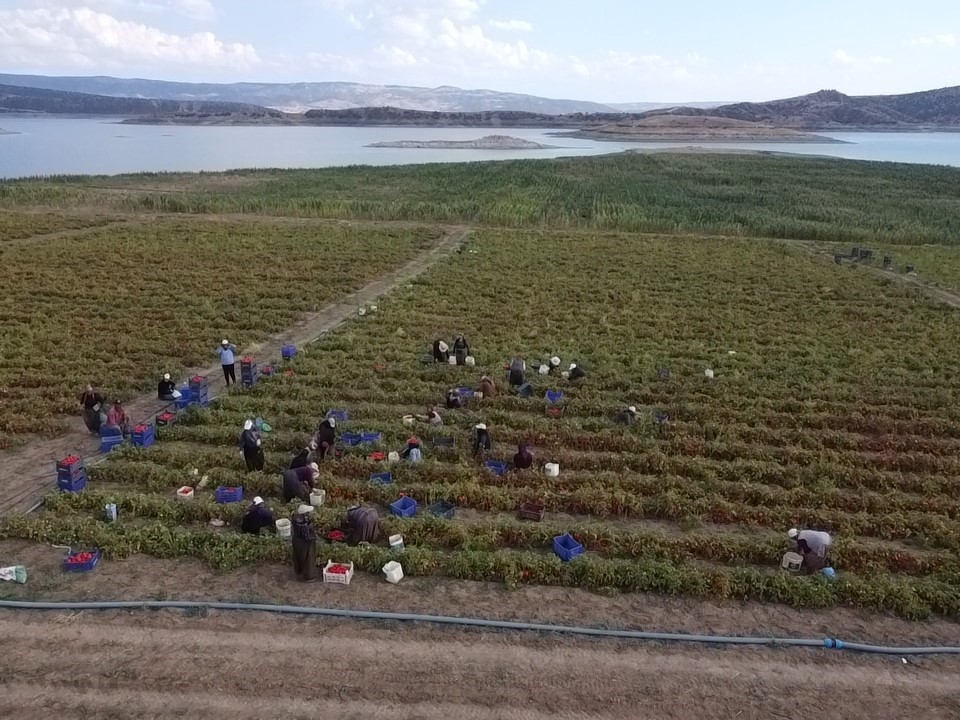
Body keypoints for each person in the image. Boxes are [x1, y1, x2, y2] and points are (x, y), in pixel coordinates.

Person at [291, 505, 317, 581]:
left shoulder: (296, 519)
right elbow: (307, 537)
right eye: (308, 513)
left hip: (296, 541)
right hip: (304, 543)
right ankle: (308, 577)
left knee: (298, 557)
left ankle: (299, 571)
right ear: (304, 514)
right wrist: (313, 537)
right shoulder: (303, 524)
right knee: (308, 558)